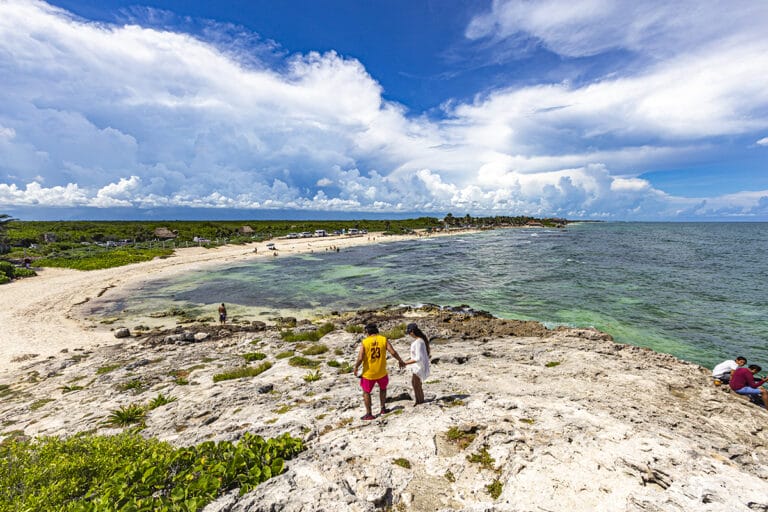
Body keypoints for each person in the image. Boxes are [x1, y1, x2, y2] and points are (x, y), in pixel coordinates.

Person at [353, 323, 406, 420]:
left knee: (366, 392)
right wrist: (400, 361)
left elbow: (360, 358)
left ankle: (369, 414)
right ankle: (383, 408)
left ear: (367, 332)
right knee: (383, 389)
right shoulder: (383, 339)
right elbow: (393, 352)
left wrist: (356, 367)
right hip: (382, 372)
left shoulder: (365, 342)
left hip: (369, 373)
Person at [402, 323, 431, 405]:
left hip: (418, 367)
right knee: (415, 384)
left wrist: (405, 363)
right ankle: (419, 401)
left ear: (412, 332)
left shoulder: (419, 342)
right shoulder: (421, 340)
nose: (409, 335)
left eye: (409, 332)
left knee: (416, 385)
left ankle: (420, 401)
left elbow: (418, 358)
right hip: (418, 366)